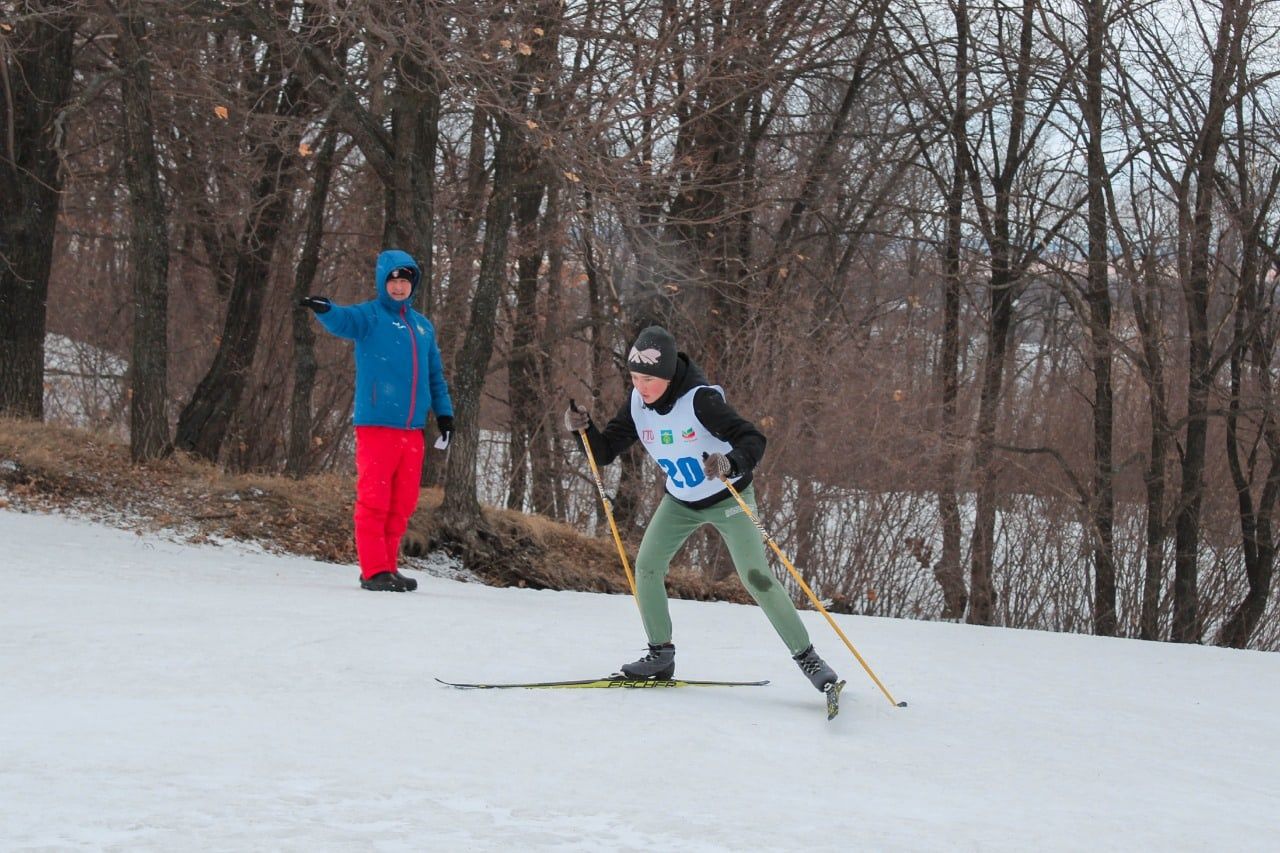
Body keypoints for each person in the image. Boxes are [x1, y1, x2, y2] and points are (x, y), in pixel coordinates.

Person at [564, 325, 839, 692]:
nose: (641, 387)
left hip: (728, 499)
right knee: (646, 566)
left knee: (756, 577)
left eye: (648, 379)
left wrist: (730, 462)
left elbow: (753, 438)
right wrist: (581, 431)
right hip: (680, 502)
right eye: (634, 377)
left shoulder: (700, 400)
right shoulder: (637, 404)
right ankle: (660, 654)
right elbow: (604, 453)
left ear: (666, 375)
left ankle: (808, 658)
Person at [300, 249, 453, 592]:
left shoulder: (422, 327)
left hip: (412, 430)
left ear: (414, 285)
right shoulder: (370, 317)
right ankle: (373, 570)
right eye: (393, 280)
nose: (399, 287)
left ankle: (388, 566)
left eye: (405, 281)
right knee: (375, 498)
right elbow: (343, 320)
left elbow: (435, 376)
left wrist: (445, 416)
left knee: (403, 502)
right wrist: (325, 310)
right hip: (377, 426)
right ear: (383, 282)